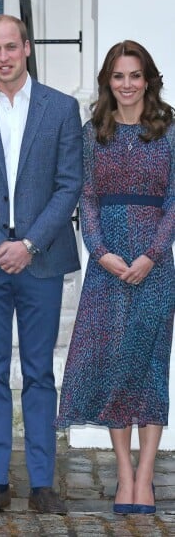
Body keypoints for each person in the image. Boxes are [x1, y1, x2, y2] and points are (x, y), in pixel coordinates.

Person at [0, 14, 83, 515]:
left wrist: (28, 243)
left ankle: (43, 481)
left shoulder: (61, 109)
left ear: (26, 48)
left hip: (41, 260)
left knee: (40, 372)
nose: (3, 57)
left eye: (11, 47)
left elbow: (69, 183)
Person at [56, 40, 174, 515]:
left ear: (148, 80)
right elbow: (85, 198)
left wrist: (151, 254)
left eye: (135, 75)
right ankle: (123, 472)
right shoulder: (93, 133)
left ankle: (145, 476)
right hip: (106, 267)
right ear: (108, 80)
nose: (127, 85)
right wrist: (100, 252)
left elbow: (174, 202)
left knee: (149, 368)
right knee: (113, 366)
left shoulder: (169, 131)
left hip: (156, 266)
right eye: (118, 76)